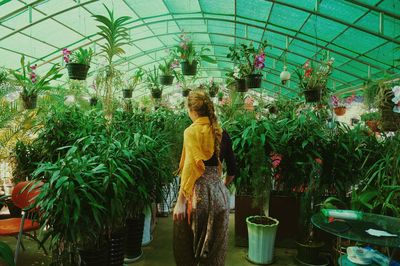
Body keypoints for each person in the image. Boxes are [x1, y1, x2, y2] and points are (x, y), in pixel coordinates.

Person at [173, 91, 236, 266]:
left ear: (191, 110)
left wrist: (180, 202)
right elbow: (232, 170)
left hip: (197, 198)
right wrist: (220, 186)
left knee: (190, 248)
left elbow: (189, 168)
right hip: (220, 197)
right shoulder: (222, 133)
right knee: (216, 251)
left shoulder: (190, 132)